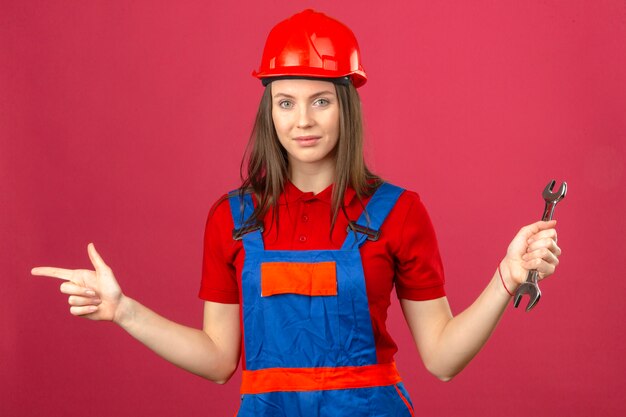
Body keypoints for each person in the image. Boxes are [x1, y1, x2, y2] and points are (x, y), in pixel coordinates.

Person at [32, 9, 561, 417]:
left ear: (346, 105)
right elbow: (219, 361)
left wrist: (506, 278)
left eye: (320, 100)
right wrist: (124, 311)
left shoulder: (399, 212)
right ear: (269, 109)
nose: (302, 120)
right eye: (285, 102)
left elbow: (443, 360)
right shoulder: (234, 218)